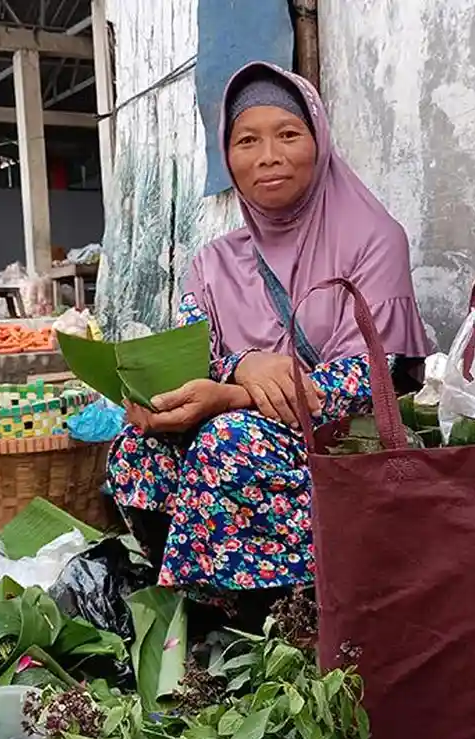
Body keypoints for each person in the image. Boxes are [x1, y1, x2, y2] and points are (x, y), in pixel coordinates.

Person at [107, 62, 432, 601]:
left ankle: (289, 605)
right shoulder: (214, 263)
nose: (268, 156)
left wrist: (233, 396)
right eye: (247, 141)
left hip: (342, 436)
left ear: (318, 142)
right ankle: (200, 600)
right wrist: (174, 394)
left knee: (230, 440)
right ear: (228, 157)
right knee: (140, 446)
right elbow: (188, 359)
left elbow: (375, 376)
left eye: (288, 134)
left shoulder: (374, 239)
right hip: (247, 422)